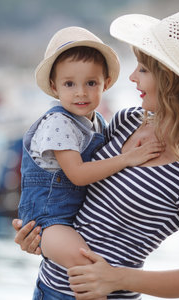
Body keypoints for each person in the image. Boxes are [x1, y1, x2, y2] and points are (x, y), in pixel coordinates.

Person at [14, 10, 179, 299]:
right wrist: (37, 237)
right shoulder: (126, 121)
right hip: (46, 289)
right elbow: (74, 188)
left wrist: (114, 277)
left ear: (171, 80)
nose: (133, 77)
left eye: (145, 70)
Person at [18, 25, 164, 283]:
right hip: (47, 220)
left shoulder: (97, 122)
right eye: (69, 84)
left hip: (70, 218)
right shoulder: (58, 123)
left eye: (91, 83)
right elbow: (77, 174)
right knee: (85, 264)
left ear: (105, 84)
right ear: (54, 87)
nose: (81, 92)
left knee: (90, 267)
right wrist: (128, 158)